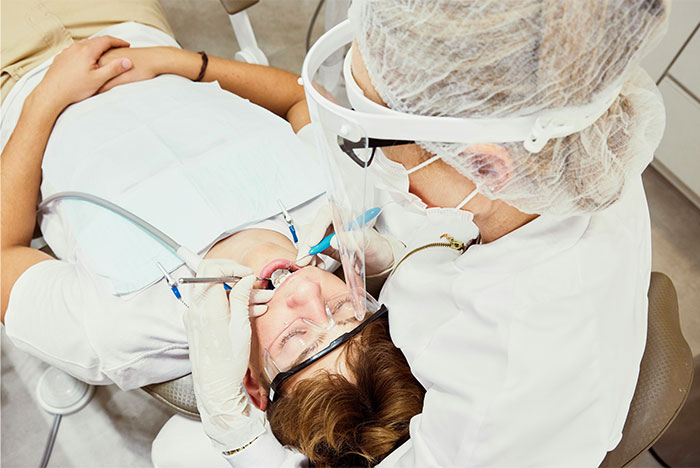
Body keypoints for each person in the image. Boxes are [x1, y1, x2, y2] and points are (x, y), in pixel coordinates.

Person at [174, 0, 671, 466]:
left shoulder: (499, 393)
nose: (376, 158)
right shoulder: (558, 136)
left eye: (376, 141)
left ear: (485, 166)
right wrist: (400, 257)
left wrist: (238, 438)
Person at [0, 1, 424, 465]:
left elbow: (3, 253)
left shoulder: (120, 332)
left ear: (249, 380)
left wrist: (45, 100)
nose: (306, 289)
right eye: (343, 310)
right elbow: (302, 99)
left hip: (13, 82)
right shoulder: (339, 209)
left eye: (295, 335)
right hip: (131, 31)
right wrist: (174, 61)